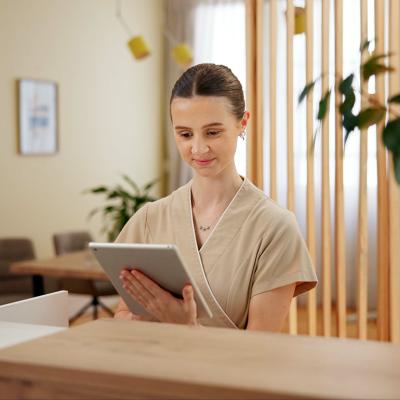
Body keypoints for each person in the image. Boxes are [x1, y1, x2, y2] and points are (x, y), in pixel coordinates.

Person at [114, 63, 317, 331]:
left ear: (242, 123)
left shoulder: (275, 228)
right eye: (185, 134)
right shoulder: (149, 219)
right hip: (152, 369)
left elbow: (259, 351)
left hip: (228, 374)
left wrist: (186, 327)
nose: (198, 148)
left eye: (212, 132)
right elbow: (122, 317)